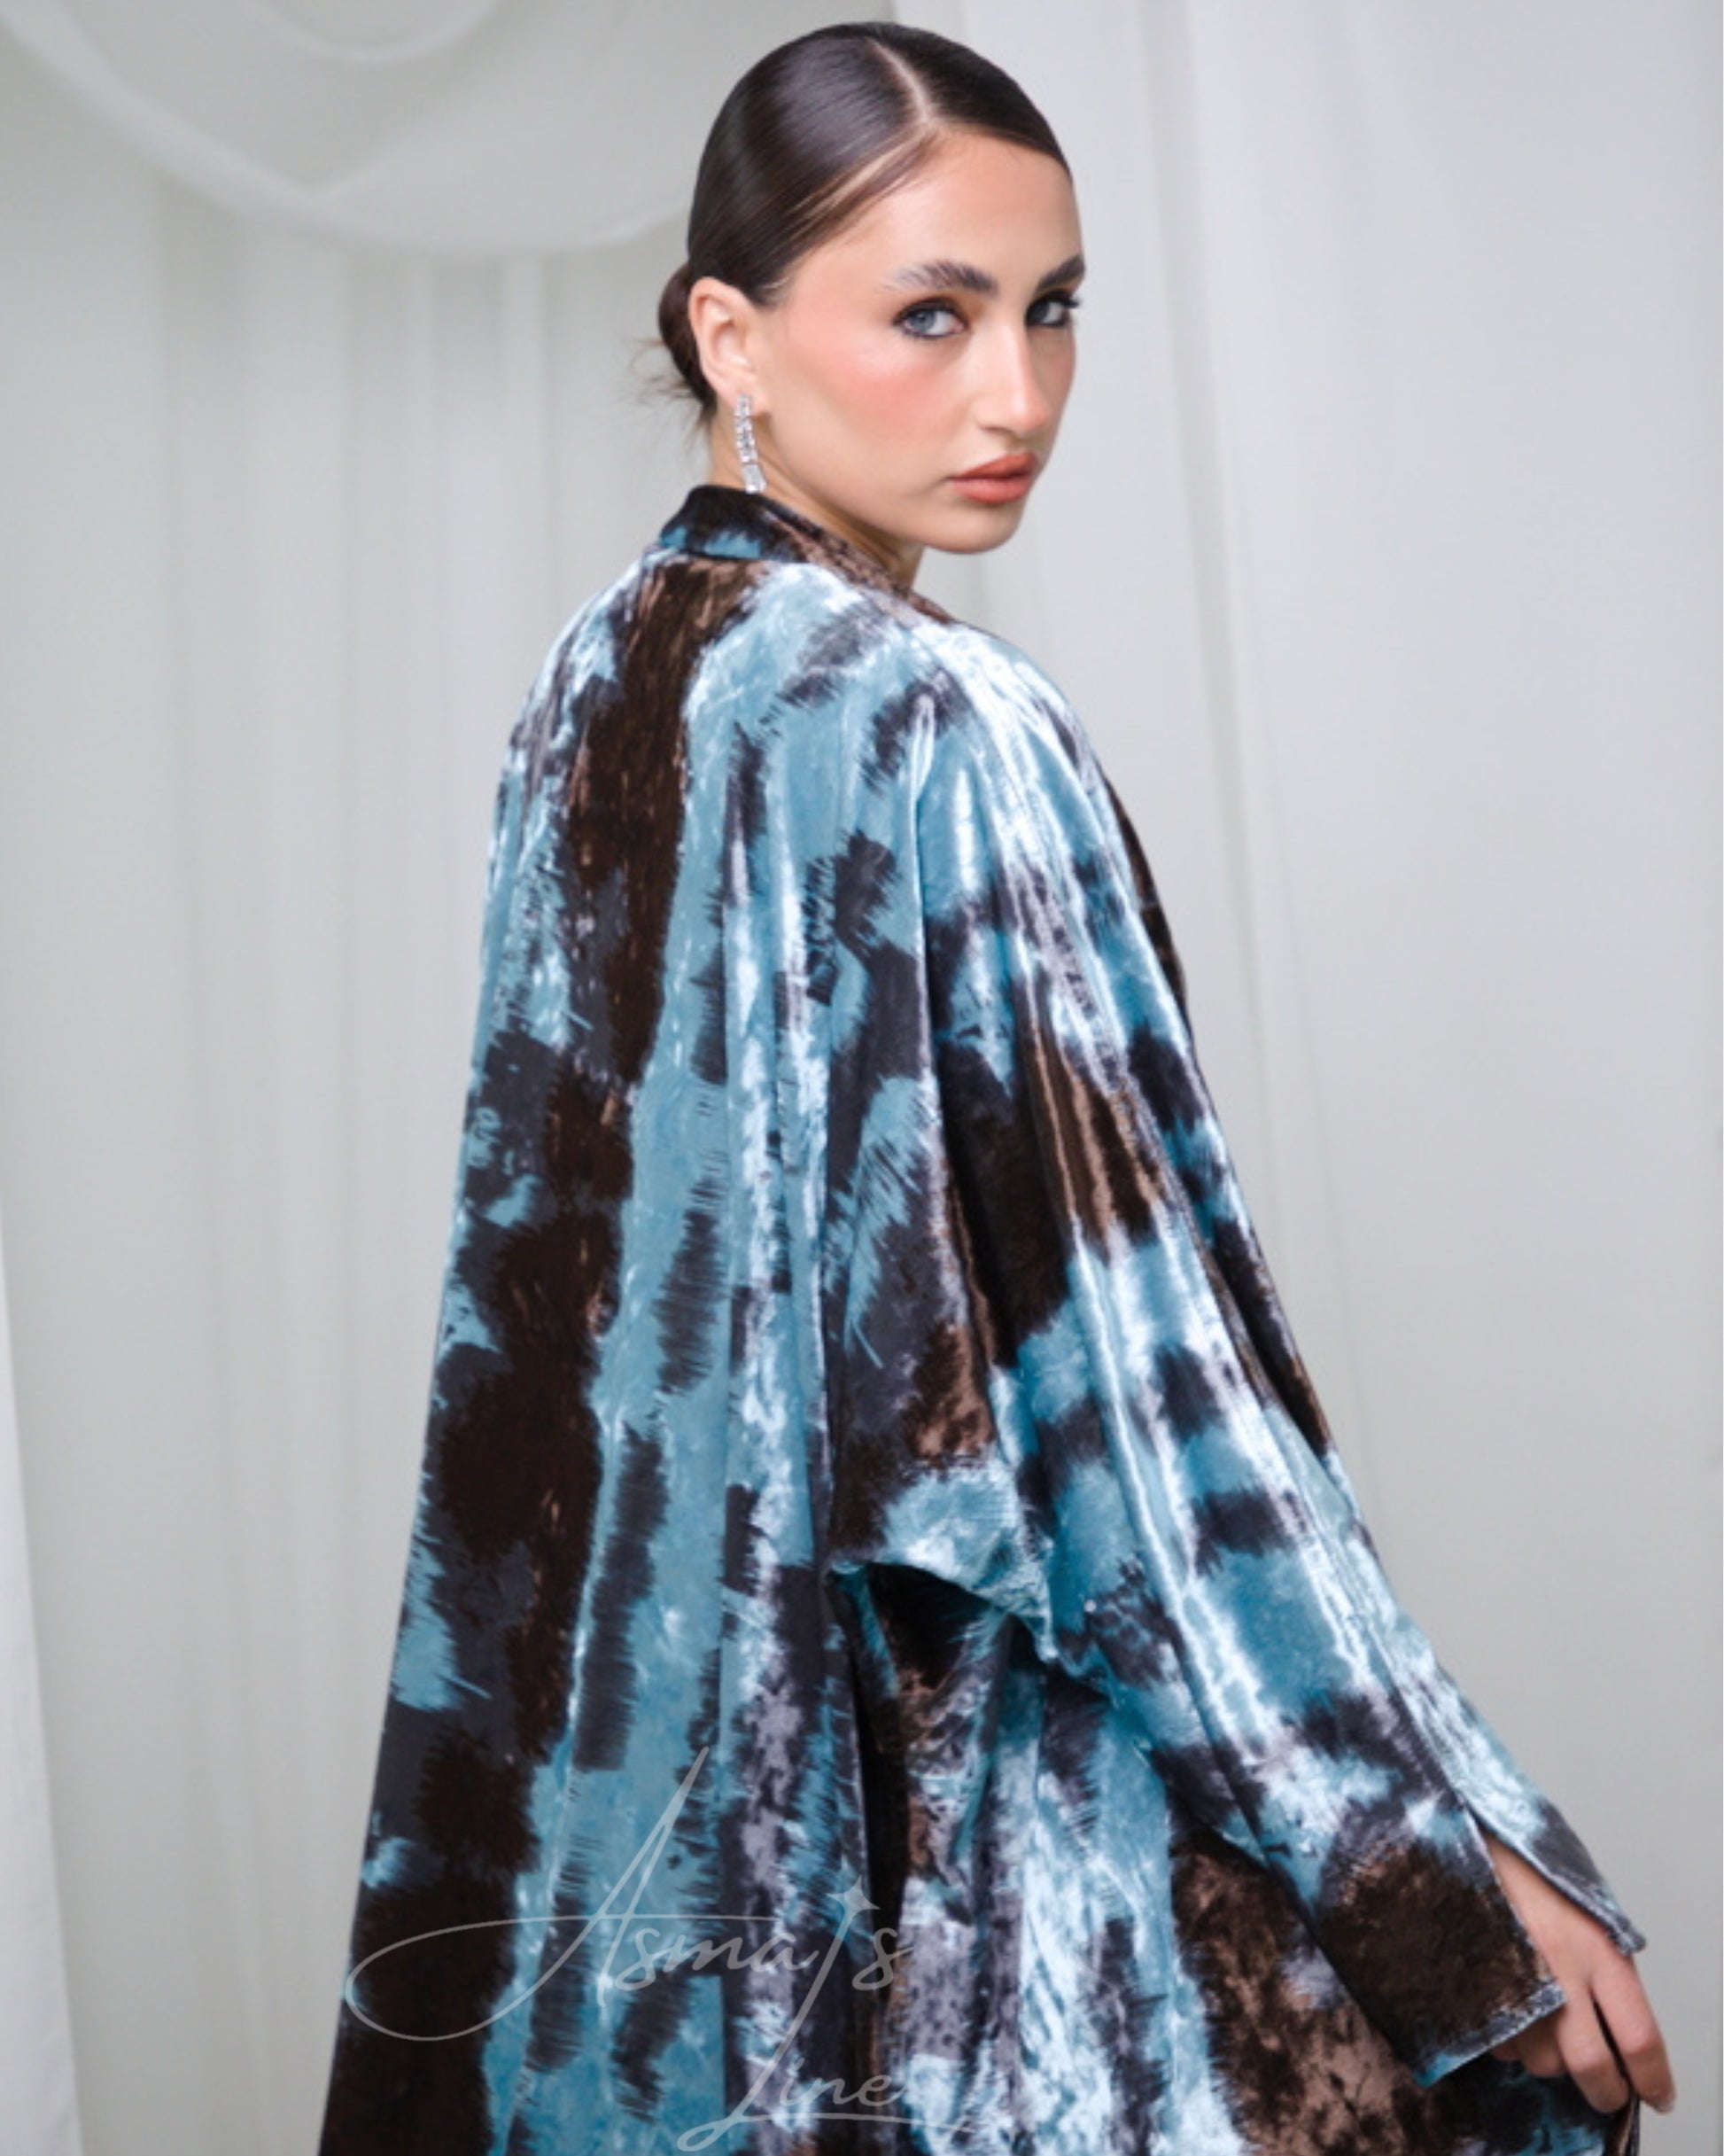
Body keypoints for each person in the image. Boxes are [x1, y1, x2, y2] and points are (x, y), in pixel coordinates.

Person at [315, 23, 1676, 2154]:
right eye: (931, 315)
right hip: (955, 1840)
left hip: (649, 1856)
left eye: (1052, 310)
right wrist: (1439, 1866)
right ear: (729, 333)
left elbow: (541, 1383)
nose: (1017, 395)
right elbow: (1133, 1399)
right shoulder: (940, 712)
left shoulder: (590, 686)